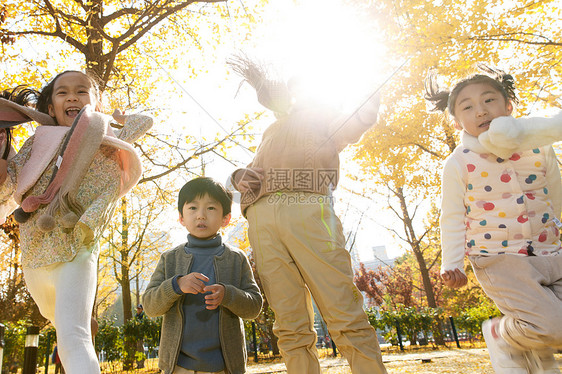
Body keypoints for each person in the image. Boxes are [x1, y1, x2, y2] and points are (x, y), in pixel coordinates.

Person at [227, 55, 387, 374]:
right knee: (289, 322)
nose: (300, 95)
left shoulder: (326, 116)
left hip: (309, 208)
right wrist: (238, 177)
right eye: (295, 90)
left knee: (342, 309)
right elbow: (255, 167)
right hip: (260, 218)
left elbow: (354, 124)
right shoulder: (272, 128)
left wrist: (368, 104)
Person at [0, 70, 153, 373]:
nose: (72, 96)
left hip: (77, 246)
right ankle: (72, 316)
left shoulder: (103, 135)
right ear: (50, 108)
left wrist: (120, 118)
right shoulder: (36, 143)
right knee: (52, 313)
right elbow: (10, 185)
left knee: (73, 336)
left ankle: (77, 323)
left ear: (96, 103)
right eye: (62, 92)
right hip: (35, 252)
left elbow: (143, 122)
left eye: (82, 91)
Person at [425, 64, 562, 373]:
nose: (481, 111)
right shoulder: (459, 163)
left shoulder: (539, 147)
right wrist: (452, 263)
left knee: (552, 326)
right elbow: (452, 217)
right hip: (499, 259)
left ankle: (533, 351)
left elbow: (557, 195)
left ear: (509, 106)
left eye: (489, 100)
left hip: (552, 252)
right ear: (458, 121)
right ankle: (501, 334)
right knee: (552, 326)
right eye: (468, 107)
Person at [142, 177, 263, 374]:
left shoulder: (236, 258)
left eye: (211, 208)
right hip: (178, 366)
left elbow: (255, 306)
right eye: (193, 208)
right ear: (181, 217)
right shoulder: (169, 259)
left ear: (226, 219)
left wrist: (228, 295)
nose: (201, 216)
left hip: (225, 367)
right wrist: (176, 285)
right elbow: (149, 306)